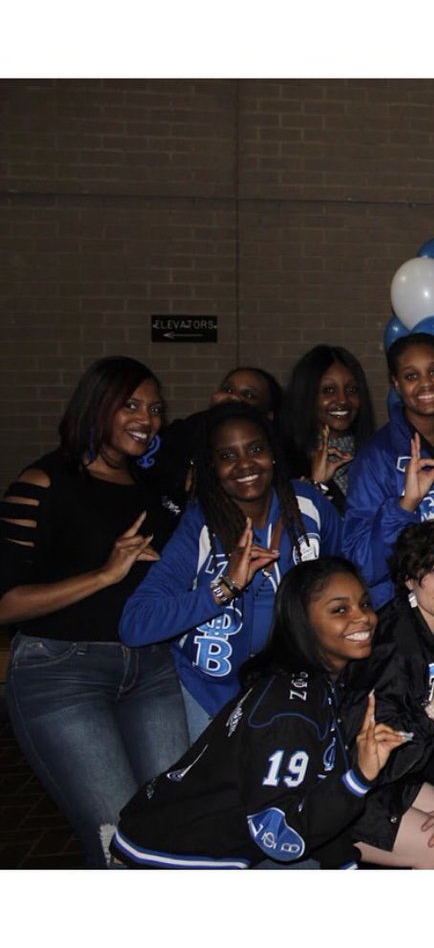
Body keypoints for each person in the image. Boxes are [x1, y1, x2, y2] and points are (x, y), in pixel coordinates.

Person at [0, 356, 189, 867]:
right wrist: (106, 574)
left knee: (172, 827)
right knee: (117, 841)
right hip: (62, 672)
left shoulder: (157, 494)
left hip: (151, 670)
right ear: (97, 404)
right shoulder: (44, 483)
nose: (145, 419)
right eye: (131, 404)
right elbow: (7, 603)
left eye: (154, 408)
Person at [111, 557, 409, 868]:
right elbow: (281, 835)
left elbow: (311, 799)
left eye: (364, 604)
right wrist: (358, 778)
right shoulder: (292, 708)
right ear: (302, 620)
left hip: (192, 842)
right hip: (167, 857)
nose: (363, 618)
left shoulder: (314, 684)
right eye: (340, 610)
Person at [120, 402, 341, 742]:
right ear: (212, 467)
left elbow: (358, 571)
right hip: (211, 694)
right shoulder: (200, 526)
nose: (245, 464)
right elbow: (135, 624)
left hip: (293, 687)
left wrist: (402, 509)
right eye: (227, 456)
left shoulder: (308, 505)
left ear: (273, 454)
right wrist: (224, 588)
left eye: (255, 449)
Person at [338, 520, 434, 868]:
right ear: (409, 577)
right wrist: (433, 712)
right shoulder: (392, 644)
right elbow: (378, 759)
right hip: (351, 789)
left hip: (398, 779)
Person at [343, 332, 434, 611]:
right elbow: (360, 562)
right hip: (407, 621)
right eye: (411, 376)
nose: (426, 384)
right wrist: (405, 506)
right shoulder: (378, 457)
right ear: (395, 383)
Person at [154, 365, 284, 512]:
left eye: (248, 395)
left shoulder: (280, 460)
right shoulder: (180, 435)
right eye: (227, 390)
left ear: (269, 416)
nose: (232, 397)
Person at [281, 344, 376, 515]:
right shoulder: (284, 462)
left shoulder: (375, 457)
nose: (342, 400)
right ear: (306, 394)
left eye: (351, 390)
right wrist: (315, 486)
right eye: (328, 390)